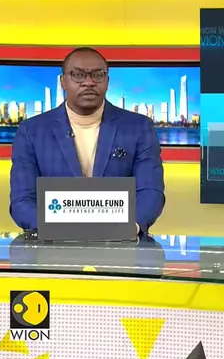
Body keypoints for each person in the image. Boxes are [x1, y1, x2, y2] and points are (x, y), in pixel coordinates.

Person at [9, 47, 165, 234]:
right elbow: (22, 200)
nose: (89, 82)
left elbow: (150, 191)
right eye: (78, 75)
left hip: (121, 242)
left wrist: (129, 227)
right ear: (63, 81)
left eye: (98, 75)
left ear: (107, 81)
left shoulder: (139, 127)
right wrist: (60, 229)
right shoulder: (31, 131)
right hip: (53, 244)